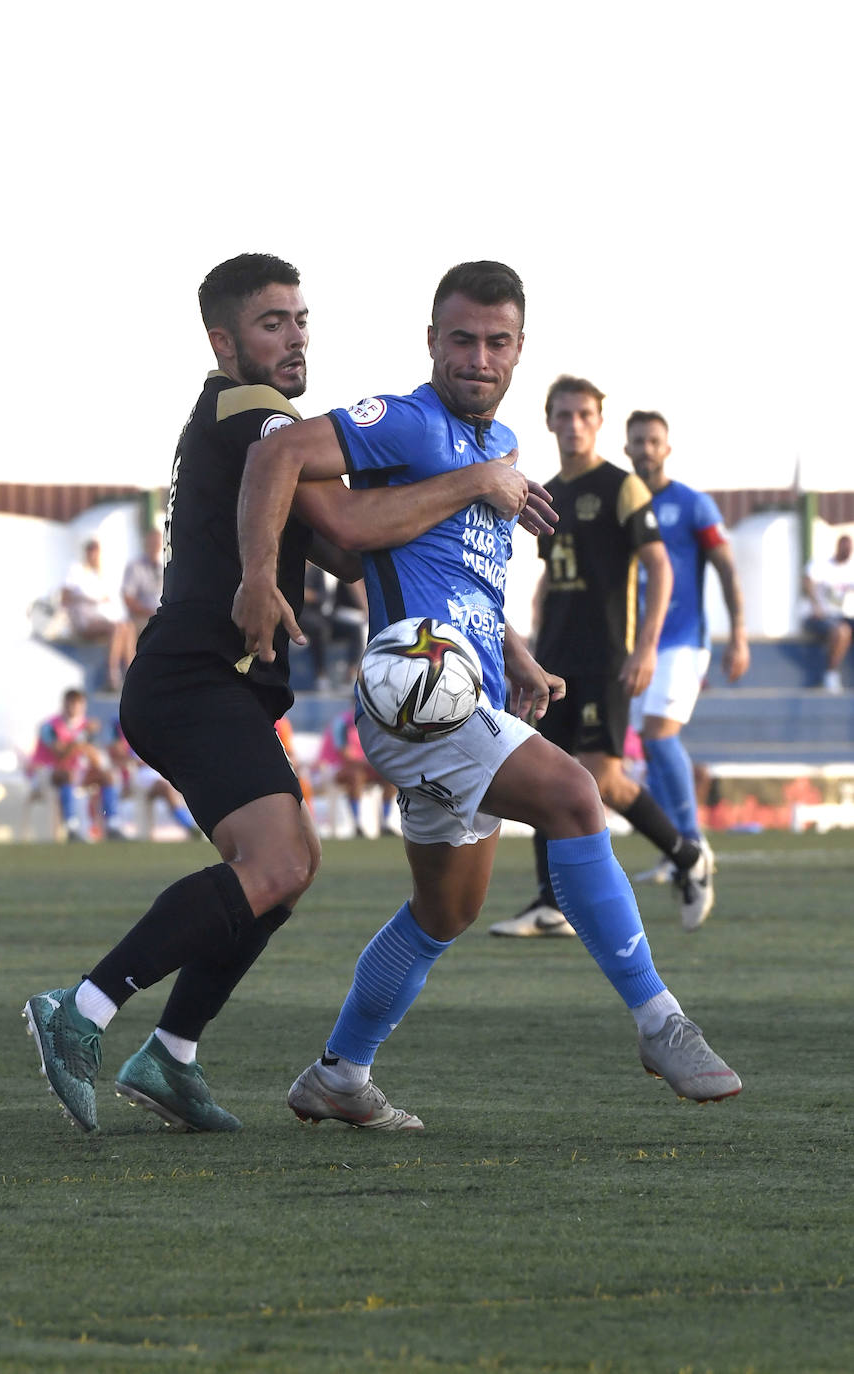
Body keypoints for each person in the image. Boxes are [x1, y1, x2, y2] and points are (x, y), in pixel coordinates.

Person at [23, 251, 549, 1135]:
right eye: (274, 323)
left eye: (302, 318)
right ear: (224, 341)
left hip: (213, 683)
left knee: (289, 868)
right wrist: (469, 482)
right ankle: (83, 1008)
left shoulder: (244, 419)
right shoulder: (258, 411)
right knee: (278, 863)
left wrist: (502, 636)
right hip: (197, 678)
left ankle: (174, 1055)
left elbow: (354, 552)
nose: (296, 337)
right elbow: (347, 525)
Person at [235, 261, 742, 1132]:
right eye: (460, 338)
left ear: (518, 350)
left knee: (446, 910)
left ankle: (338, 1072)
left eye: (496, 342)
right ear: (431, 340)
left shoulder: (494, 452)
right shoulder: (407, 422)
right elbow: (276, 451)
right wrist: (255, 577)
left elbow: (459, 578)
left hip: (465, 687)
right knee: (575, 795)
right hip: (417, 690)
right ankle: (661, 1021)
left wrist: (519, 653)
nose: (477, 357)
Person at [489, 376, 716, 939]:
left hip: (608, 655)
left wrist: (645, 648)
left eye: (584, 414)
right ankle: (552, 904)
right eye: (563, 414)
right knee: (547, 776)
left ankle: (687, 856)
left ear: (598, 421)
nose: (573, 424)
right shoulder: (545, 492)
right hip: (557, 655)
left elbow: (660, 567)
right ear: (549, 421)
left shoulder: (622, 487)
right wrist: (531, 652)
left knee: (603, 778)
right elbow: (550, 577)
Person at [624, 410, 750, 889]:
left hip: (681, 641)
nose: (646, 449)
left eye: (654, 441)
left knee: (658, 737)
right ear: (627, 448)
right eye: (638, 441)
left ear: (667, 448)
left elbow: (727, 569)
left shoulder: (693, 505)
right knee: (648, 754)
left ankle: (693, 844)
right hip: (635, 648)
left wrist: (737, 634)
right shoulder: (623, 504)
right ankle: (672, 849)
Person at [27, 688, 124, 841]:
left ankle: (112, 825)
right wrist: (81, 739)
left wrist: (85, 746)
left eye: (78, 704)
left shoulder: (88, 726)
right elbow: (60, 754)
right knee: (68, 775)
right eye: (70, 703)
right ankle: (72, 828)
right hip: (46, 773)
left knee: (107, 776)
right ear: (64, 704)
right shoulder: (49, 726)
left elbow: (95, 757)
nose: (74, 707)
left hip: (76, 772)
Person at [62, 538, 136, 690]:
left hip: (99, 618)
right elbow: (66, 597)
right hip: (83, 620)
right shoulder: (76, 570)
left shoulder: (99, 574)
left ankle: (130, 669)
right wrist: (89, 599)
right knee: (116, 628)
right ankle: (112, 674)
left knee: (127, 627)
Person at [314, 708, 399, 837]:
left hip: (365, 769)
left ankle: (385, 823)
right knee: (356, 775)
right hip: (335, 768)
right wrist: (372, 763)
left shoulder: (375, 722)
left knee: (389, 776)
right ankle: (357, 823)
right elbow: (345, 755)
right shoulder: (341, 723)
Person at [802, 532, 854, 693]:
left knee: (843, 626)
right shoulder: (821, 565)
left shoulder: (849, 569)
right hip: (818, 616)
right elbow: (807, 581)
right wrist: (816, 605)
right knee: (842, 631)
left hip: (840, 616)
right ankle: (830, 674)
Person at [122, 527, 165, 636]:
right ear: (146, 544)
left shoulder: (163, 567)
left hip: (162, 616)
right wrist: (150, 612)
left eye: (157, 543)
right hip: (142, 618)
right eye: (152, 543)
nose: (155, 546)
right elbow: (128, 599)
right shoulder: (135, 567)